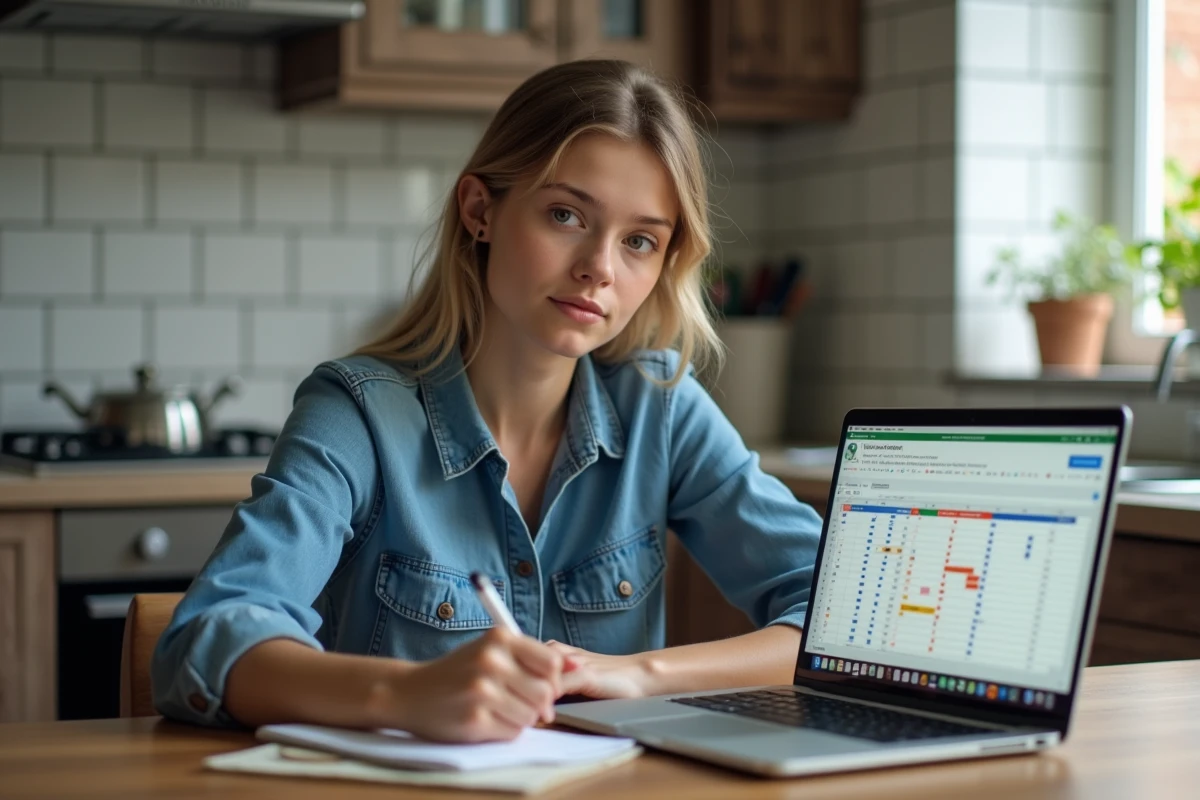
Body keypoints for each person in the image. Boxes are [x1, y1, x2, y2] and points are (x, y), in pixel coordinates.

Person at [152, 59, 822, 743]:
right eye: (566, 215)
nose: (601, 267)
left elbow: (844, 628)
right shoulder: (357, 413)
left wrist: (639, 675)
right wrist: (405, 694)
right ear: (481, 210)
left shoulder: (662, 408)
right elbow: (202, 642)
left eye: (640, 241)